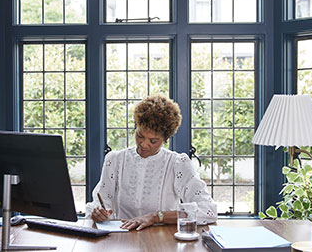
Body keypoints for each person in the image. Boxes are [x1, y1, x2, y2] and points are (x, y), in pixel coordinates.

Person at [85, 95, 217, 230]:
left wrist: (156, 217)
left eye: (153, 141)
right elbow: (101, 201)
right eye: (140, 136)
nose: (144, 144)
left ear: (166, 139)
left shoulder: (177, 164)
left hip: (163, 239)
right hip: (122, 238)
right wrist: (98, 213)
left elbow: (208, 211)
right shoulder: (115, 160)